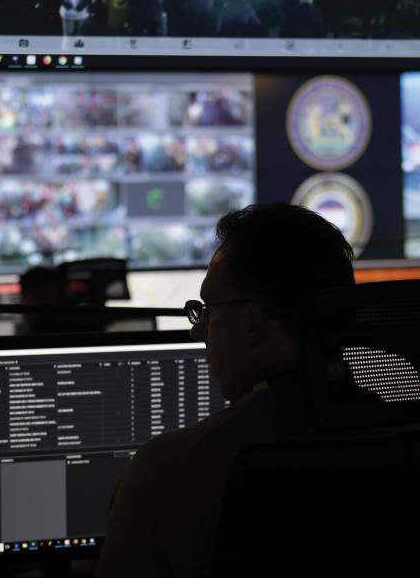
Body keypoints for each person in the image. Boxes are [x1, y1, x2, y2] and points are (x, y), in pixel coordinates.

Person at [95, 203, 356, 578]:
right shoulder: (419, 435)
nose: (198, 330)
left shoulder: (167, 467)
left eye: (209, 310)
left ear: (250, 321)